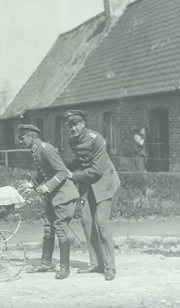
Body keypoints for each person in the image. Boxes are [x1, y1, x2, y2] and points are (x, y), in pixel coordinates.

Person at [63, 110, 120, 281]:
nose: (73, 128)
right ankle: (96, 263)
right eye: (70, 125)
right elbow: (81, 162)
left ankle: (110, 267)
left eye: (75, 124)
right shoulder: (72, 140)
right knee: (87, 222)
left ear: (83, 124)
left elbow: (96, 170)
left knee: (101, 223)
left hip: (104, 182)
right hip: (88, 184)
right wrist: (62, 168)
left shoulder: (97, 139)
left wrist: (73, 176)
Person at [18, 124, 79, 280]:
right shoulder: (36, 150)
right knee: (48, 227)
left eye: (23, 137)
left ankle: (64, 268)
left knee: (59, 228)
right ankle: (46, 262)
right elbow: (43, 171)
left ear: (32, 137)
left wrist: (46, 186)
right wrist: (33, 183)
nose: (21, 140)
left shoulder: (46, 149)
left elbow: (62, 171)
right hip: (54, 194)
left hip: (63, 194)